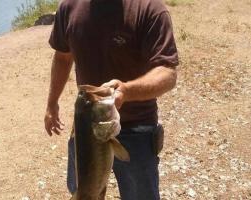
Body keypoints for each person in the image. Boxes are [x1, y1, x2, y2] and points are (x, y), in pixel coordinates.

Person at [44, 0, 179, 199]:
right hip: (85, 127)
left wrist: (127, 91)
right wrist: (52, 102)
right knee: (85, 192)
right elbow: (63, 57)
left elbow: (167, 73)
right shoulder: (69, 8)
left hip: (138, 128)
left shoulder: (149, 9)